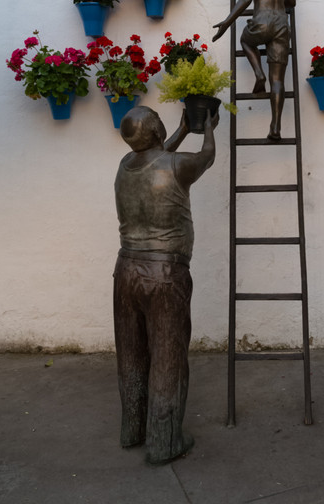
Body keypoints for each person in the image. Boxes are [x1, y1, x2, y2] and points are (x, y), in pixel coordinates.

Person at [113, 105, 217, 465]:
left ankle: (133, 429)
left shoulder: (125, 165)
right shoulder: (178, 166)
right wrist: (207, 128)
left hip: (126, 269)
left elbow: (156, 156)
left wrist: (181, 130)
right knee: (167, 357)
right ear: (156, 130)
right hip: (164, 275)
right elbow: (206, 158)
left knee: (132, 353)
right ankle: (164, 440)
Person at [212, 0, 296, 140]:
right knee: (278, 80)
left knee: (246, 41)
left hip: (262, 22)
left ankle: (259, 74)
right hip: (282, 25)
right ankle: (275, 127)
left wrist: (226, 22)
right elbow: (291, 1)